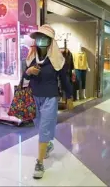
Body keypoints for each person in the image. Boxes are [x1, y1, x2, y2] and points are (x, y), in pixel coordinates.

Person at [23, 24, 73, 179]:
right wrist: (28, 72)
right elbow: (23, 78)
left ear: (51, 41)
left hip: (50, 97)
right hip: (34, 97)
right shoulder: (31, 58)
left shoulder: (57, 59)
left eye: (44, 37)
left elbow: (64, 79)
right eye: (38, 37)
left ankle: (39, 163)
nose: (41, 40)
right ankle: (48, 144)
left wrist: (69, 96)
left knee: (45, 127)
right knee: (39, 125)